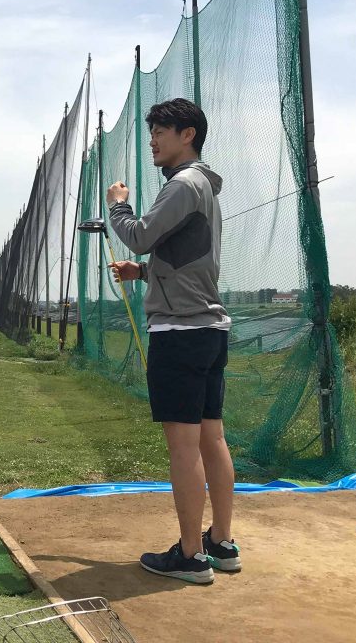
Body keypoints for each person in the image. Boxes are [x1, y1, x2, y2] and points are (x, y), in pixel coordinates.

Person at [106, 98, 240, 584]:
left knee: (185, 447)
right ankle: (220, 543)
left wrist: (118, 205)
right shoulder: (200, 186)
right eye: (153, 132)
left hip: (180, 332)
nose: (153, 141)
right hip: (207, 329)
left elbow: (140, 234)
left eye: (161, 131)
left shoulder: (183, 184)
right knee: (212, 438)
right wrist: (143, 273)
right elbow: (186, 256)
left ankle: (190, 556)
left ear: (188, 135)